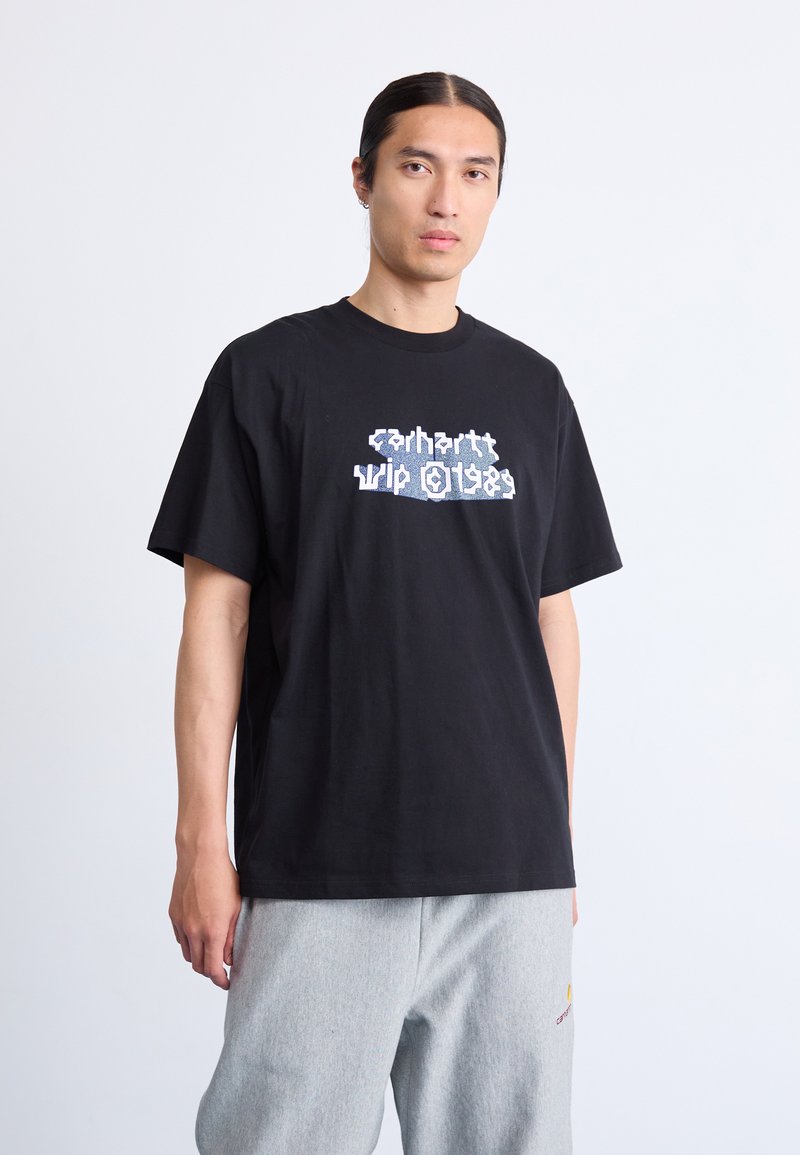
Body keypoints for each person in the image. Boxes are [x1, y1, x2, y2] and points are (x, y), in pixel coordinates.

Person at [147, 70, 623, 1155]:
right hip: (323, 857)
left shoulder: (531, 391)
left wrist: (554, 833)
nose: (446, 199)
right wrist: (200, 841)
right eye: (417, 167)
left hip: (507, 870)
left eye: (475, 174)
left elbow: (551, 620)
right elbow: (215, 618)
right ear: (363, 179)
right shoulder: (267, 375)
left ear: (496, 194)